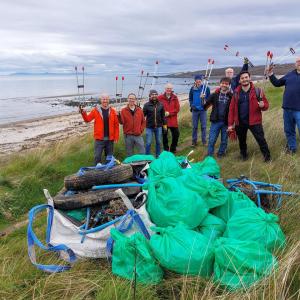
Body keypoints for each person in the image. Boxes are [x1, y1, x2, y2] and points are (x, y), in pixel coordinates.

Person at [228, 71, 271, 162]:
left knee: (261, 140)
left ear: (249, 78)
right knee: (242, 141)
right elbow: (231, 109)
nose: (244, 79)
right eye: (242, 78)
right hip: (240, 122)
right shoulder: (236, 93)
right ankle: (244, 156)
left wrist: (263, 105)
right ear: (239, 80)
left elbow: (266, 106)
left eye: (246, 77)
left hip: (255, 122)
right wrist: (230, 124)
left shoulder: (258, 91)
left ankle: (267, 158)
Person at [267, 57, 300, 153]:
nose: (299, 63)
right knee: (289, 130)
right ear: (295, 64)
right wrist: (270, 73)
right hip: (287, 109)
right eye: (298, 61)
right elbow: (277, 83)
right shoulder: (290, 75)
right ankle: (292, 148)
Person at [79, 93, 119, 164]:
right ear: (101, 100)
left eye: (106, 99)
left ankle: (109, 172)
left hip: (110, 140)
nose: (105, 101)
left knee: (109, 158)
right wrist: (83, 113)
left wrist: (116, 137)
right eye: (103, 99)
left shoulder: (112, 111)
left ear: (108, 100)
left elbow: (116, 125)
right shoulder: (96, 110)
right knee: (97, 157)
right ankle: (97, 172)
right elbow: (87, 119)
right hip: (99, 139)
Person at [204, 77, 233, 157]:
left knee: (224, 140)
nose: (224, 85)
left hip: (226, 122)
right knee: (212, 140)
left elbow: (234, 109)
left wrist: (232, 123)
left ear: (229, 85)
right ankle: (210, 156)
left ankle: (221, 154)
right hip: (215, 121)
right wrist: (202, 99)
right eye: (222, 83)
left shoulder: (232, 96)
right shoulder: (214, 95)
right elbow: (205, 105)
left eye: (226, 84)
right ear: (220, 84)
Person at [158, 83, 180, 153]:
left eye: (170, 89)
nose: (169, 90)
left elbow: (177, 109)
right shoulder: (160, 97)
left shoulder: (175, 97)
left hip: (173, 121)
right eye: (167, 88)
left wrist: (169, 113)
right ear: (165, 89)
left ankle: (173, 148)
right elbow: (157, 107)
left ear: (172, 89)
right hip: (164, 122)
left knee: (176, 134)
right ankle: (166, 149)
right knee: (164, 135)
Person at [143, 89, 166, 157]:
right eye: (152, 94)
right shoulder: (146, 105)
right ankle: (147, 157)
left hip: (158, 127)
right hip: (149, 127)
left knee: (158, 142)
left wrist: (165, 127)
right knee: (148, 143)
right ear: (150, 96)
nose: (154, 96)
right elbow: (142, 116)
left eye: (155, 94)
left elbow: (163, 117)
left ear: (157, 95)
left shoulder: (161, 104)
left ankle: (158, 156)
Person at [189, 74, 210, 146]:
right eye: (197, 81)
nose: (198, 82)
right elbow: (190, 98)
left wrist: (204, 99)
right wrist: (192, 105)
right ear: (195, 81)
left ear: (201, 81)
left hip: (203, 110)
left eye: (199, 81)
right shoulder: (192, 89)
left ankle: (204, 141)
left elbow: (209, 99)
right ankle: (194, 141)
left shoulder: (206, 88)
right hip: (195, 110)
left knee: (203, 126)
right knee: (194, 126)